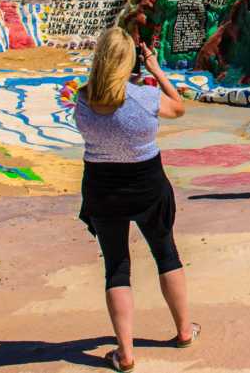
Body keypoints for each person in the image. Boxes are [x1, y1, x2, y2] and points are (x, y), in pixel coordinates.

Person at [74, 27, 200, 371]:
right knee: (166, 254)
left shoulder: (83, 99)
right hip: (147, 184)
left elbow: (102, 105)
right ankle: (184, 331)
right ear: (129, 61)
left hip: (103, 188)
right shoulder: (145, 97)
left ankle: (126, 354)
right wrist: (156, 70)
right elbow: (178, 108)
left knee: (116, 268)